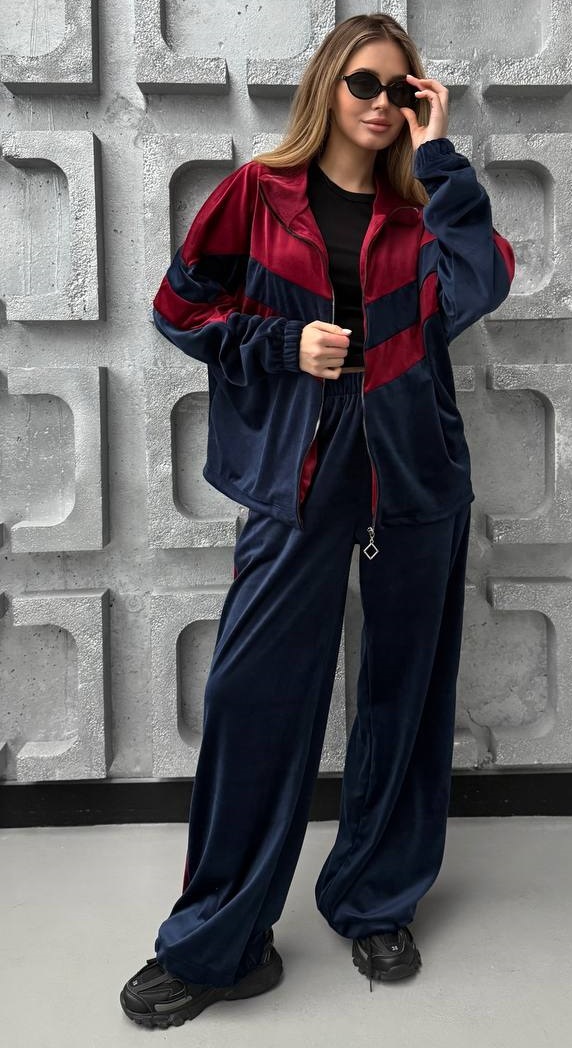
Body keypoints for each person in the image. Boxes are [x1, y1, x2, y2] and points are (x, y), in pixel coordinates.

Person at [120, 11, 515, 1029]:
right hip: (297, 472)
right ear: (328, 88)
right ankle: (218, 939)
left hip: (414, 472)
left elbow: (481, 283)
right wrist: (281, 344)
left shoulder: (428, 208)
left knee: (404, 693)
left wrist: (440, 151)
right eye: (364, 84)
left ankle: (375, 900)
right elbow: (178, 309)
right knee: (254, 696)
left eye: (401, 88)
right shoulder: (259, 193)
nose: (381, 104)